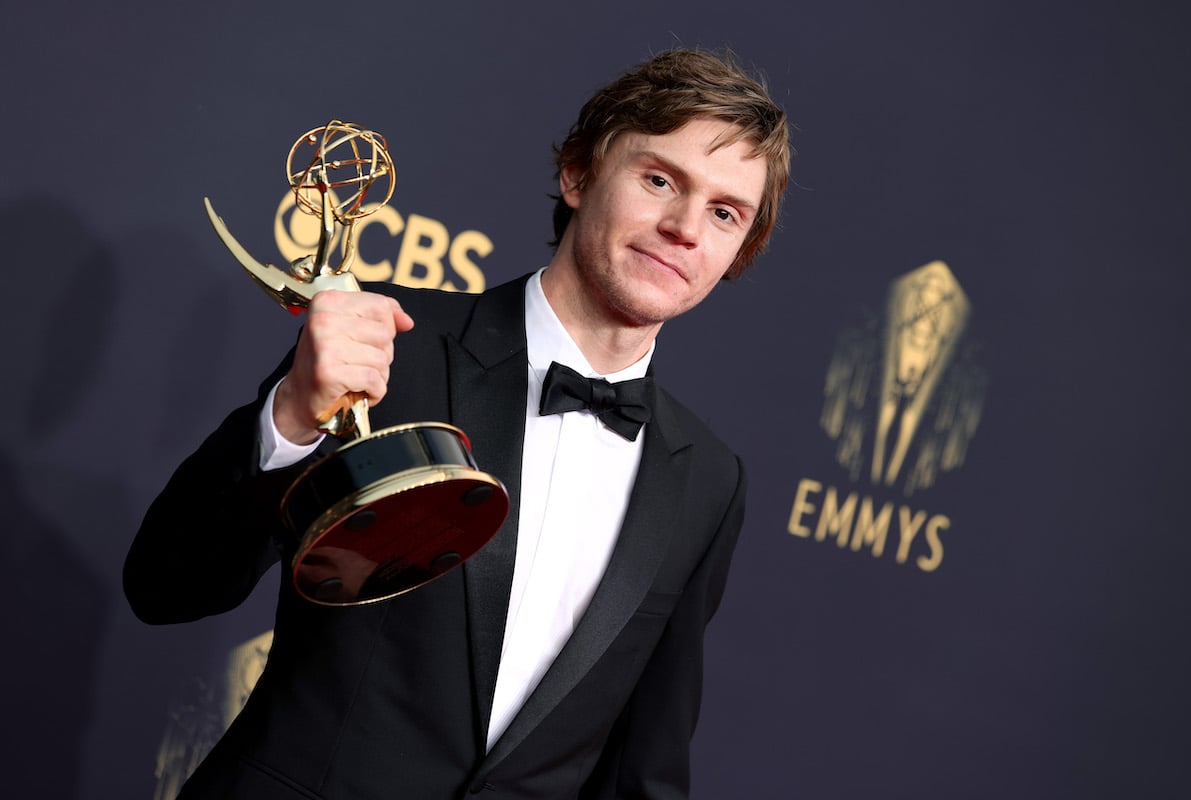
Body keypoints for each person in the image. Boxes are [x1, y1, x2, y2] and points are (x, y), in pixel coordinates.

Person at [125, 47, 791, 799]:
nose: (684, 228)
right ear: (578, 174)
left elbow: (643, 768)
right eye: (660, 179)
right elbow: (168, 585)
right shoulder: (389, 345)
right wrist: (290, 418)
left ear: (740, 250)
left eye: (725, 212)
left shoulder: (706, 477)